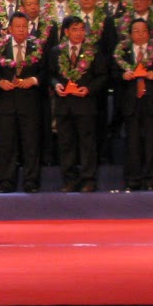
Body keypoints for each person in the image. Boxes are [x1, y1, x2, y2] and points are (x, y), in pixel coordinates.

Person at [51, 16, 106, 193]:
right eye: (74, 29)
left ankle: (89, 179)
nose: (79, 33)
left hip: (85, 105)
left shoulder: (93, 51)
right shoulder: (56, 52)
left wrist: (88, 89)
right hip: (64, 105)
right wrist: (56, 85)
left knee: (87, 144)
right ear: (66, 32)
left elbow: (103, 76)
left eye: (82, 29)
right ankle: (70, 180)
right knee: (66, 144)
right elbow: (51, 75)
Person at [0, 12, 44, 193]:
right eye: (18, 27)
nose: (21, 30)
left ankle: (31, 182)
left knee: (31, 144)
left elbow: (46, 71)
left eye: (24, 26)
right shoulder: (1, 47)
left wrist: (34, 80)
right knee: (7, 145)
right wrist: (0, 82)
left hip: (30, 103)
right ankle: (6, 182)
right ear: (10, 29)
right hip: (7, 103)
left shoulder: (37, 47)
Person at [113, 19, 153, 191]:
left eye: (143, 31)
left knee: (152, 142)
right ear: (130, 34)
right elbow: (112, 74)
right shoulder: (122, 52)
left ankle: (152, 178)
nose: (140, 34)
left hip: (151, 102)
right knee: (132, 143)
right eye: (136, 31)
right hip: (130, 102)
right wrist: (122, 76)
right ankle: (133, 179)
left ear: (149, 34)